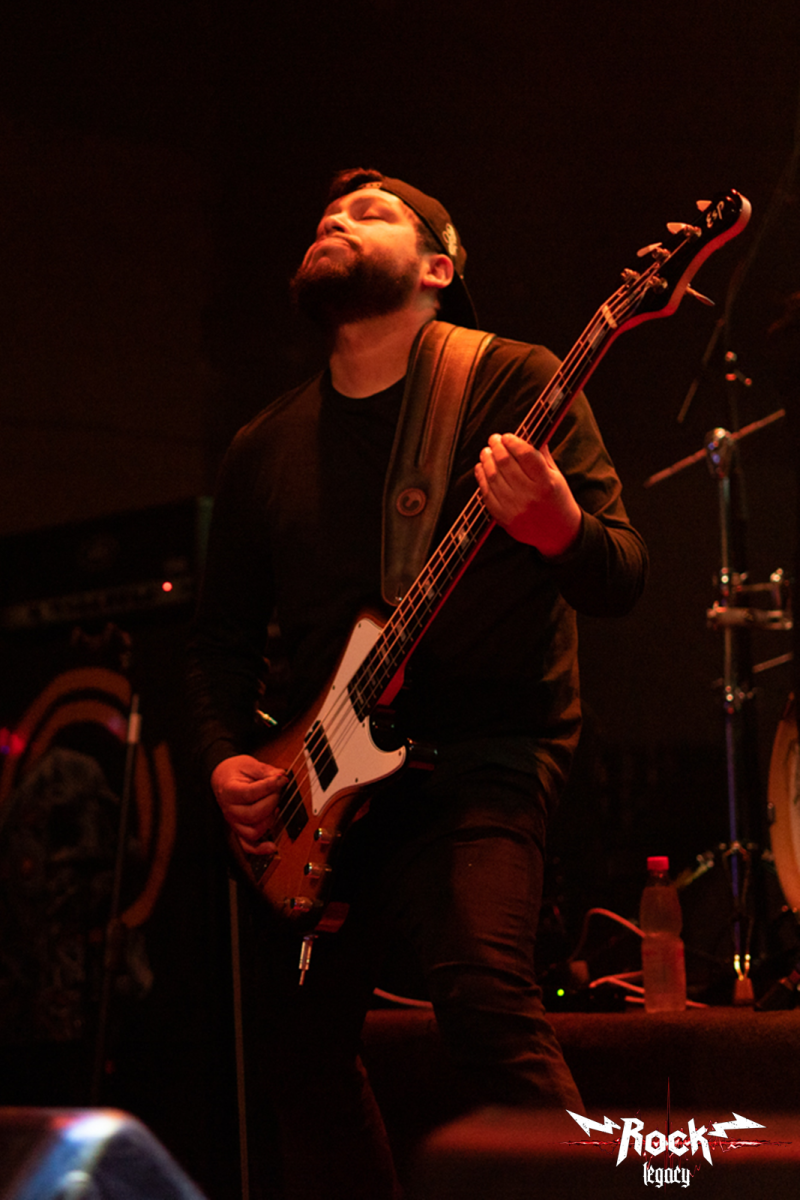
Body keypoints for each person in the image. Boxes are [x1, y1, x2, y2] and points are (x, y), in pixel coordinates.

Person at [186, 168, 648, 1199]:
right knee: (295, 1052)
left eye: (370, 211)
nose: (334, 219)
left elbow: (620, 572)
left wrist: (558, 527)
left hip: (483, 754)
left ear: (437, 268)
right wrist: (223, 760)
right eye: (326, 215)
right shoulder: (265, 445)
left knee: (482, 999)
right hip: (320, 786)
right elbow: (218, 644)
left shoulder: (512, 380)